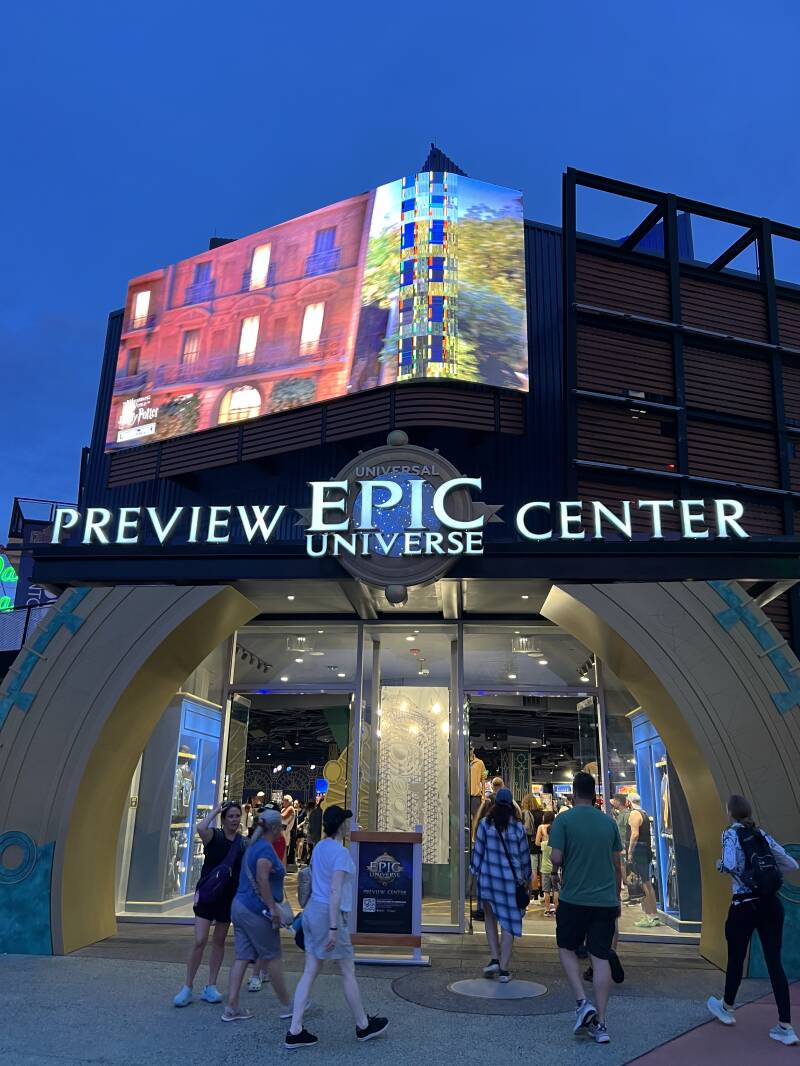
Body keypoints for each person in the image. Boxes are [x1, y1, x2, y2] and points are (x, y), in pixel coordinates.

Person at [286, 805, 388, 1049]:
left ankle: (295, 1029)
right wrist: (334, 928)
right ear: (340, 824)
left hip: (312, 912)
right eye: (346, 820)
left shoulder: (320, 847)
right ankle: (363, 1025)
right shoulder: (340, 853)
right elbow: (335, 891)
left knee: (310, 971)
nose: (349, 824)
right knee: (347, 970)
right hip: (328, 916)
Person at [706, 794, 799, 1046]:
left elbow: (729, 863)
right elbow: (791, 863)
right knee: (774, 963)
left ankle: (727, 1007)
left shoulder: (730, 834)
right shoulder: (761, 834)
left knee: (736, 958)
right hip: (770, 904)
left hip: (744, 905)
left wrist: (719, 865)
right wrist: (766, 878)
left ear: (730, 812)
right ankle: (786, 1026)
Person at [549, 771, 623, 1045]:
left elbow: (556, 857)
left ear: (573, 792)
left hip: (574, 897)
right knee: (600, 957)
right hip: (605, 900)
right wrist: (616, 897)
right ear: (594, 794)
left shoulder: (564, 820)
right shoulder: (609, 823)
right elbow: (617, 864)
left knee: (566, 947)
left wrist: (559, 866)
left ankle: (582, 1001)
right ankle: (601, 1023)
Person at [223, 807, 294, 1022]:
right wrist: (272, 908)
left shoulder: (253, 847)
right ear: (275, 828)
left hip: (240, 906)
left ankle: (232, 1006)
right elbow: (263, 878)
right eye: (281, 827)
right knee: (272, 956)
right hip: (256, 910)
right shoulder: (265, 850)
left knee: (242, 956)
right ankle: (288, 1005)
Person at [174, 801, 245, 1007]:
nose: (234, 820)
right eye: (230, 816)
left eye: (237, 816)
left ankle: (211, 985)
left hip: (228, 897)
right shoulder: (214, 836)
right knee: (200, 940)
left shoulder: (242, 843)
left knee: (219, 940)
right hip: (207, 894)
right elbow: (200, 827)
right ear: (223, 819)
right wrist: (216, 810)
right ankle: (187, 986)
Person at [468, 787, 532, 982]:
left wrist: (472, 876)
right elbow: (524, 858)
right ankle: (503, 969)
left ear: (494, 804)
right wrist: (528, 880)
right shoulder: (518, 827)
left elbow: (478, 854)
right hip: (510, 882)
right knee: (508, 923)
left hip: (488, 880)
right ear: (512, 805)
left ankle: (494, 958)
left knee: (490, 918)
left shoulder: (485, 825)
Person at [627, 793, 659, 928]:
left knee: (644, 884)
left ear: (629, 802)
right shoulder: (644, 814)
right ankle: (652, 915)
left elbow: (635, 834)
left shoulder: (634, 814)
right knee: (646, 883)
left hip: (639, 852)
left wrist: (630, 851)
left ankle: (650, 915)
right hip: (644, 851)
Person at [522, 794, 545, 898]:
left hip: (532, 844)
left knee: (533, 869)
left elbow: (527, 829)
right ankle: (543, 891)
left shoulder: (528, 814)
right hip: (543, 844)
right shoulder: (542, 813)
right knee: (542, 869)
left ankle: (535, 892)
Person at [536, 810, 557, 916]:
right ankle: (557, 909)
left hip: (545, 868)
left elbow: (537, 843)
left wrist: (544, 843)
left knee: (546, 890)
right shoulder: (556, 827)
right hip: (555, 867)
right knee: (556, 889)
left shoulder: (541, 828)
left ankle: (547, 909)